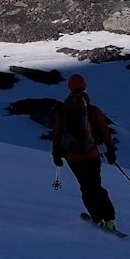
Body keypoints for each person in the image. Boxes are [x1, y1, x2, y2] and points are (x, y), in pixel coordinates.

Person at [51, 73, 120, 231]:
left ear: (69, 88)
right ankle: (109, 220)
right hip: (91, 155)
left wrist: (56, 154)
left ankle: (97, 219)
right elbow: (105, 132)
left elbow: (56, 134)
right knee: (96, 187)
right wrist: (111, 151)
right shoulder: (93, 110)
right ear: (85, 87)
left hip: (73, 158)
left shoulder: (63, 110)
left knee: (86, 188)